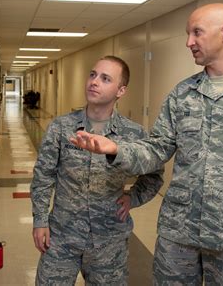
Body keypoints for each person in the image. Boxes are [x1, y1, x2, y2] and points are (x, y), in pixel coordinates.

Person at [71, 3, 223, 285]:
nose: (189, 42)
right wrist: (116, 149)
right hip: (179, 235)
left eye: (196, 33)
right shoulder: (183, 93)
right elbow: (157, 149)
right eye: (188, 34)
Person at [31, 56, 164, 285]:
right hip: (62, 237)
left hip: (108, 242)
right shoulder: (62, 127)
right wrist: (40, 220)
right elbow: (43, 175)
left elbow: (155, 174)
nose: (94, 82)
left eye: (105, 79)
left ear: (121, 90)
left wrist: (133, 198)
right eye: (92, 75)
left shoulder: (134, 134)